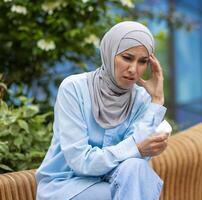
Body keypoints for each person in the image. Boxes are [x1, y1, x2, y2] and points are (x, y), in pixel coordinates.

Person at [35, 21, 169, 200]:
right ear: (109, 52)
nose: (133, 70)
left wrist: (157, 101)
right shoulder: (74, 88)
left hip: (114, 182)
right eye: (127, 58)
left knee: (135, 168)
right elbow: (81, 161)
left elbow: (139, 157)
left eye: (142, 62)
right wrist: (136, 149)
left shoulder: (141, 99)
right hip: (67, 185)